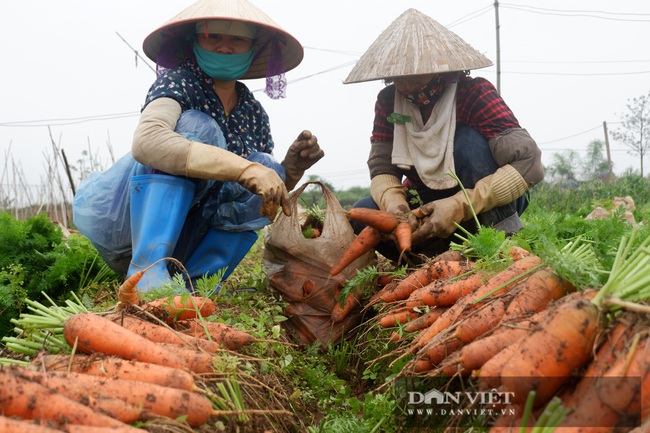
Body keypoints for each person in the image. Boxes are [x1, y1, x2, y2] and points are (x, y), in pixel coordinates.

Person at [73, 0, 323, 291]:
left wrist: (288, 172)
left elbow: (256, 192)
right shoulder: (178, 83)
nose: (224, 47)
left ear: (253, 48)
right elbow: (148, 141)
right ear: (194, 41)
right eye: (213, 36)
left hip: (190, 238)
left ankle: (197, 285)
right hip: (129, 231)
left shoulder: (253, 113)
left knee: (267, 167)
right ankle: (147, 273)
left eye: (237, 39)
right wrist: (244, 168)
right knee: (198, 127)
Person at [343, 8, 543, 263]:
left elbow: (529, 164)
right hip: (426, 198)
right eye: (397, 75)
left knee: (468, 144)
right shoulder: (388, 101)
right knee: (367, 212)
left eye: (413, 72)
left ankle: (498, 242)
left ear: (438, 67)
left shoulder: (473, 93)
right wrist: (395, 206)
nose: (403, 84)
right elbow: (382, 166)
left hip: (482, 199)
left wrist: (459, 205)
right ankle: (425, 257)